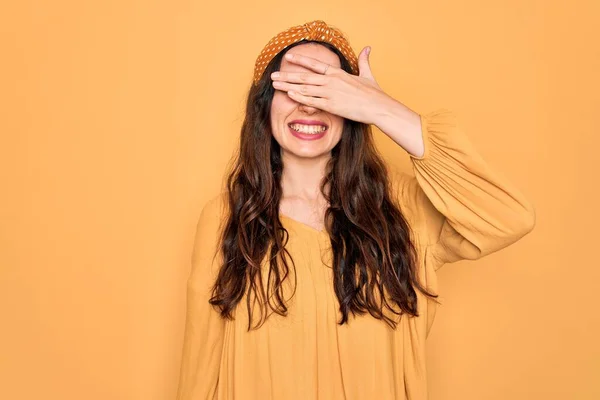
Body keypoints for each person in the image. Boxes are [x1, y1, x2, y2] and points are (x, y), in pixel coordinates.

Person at [175, 20, 536, 400]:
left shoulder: (402, 208)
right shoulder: (226, 218)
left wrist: (383, 109)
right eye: (294, 87)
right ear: (264, 105)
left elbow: (510, 217)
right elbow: (201, 365)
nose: (309, 104)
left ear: (352, 108)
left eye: (328, 90)